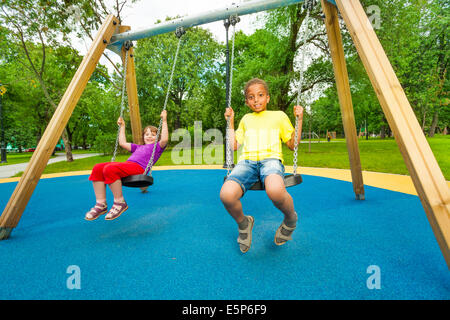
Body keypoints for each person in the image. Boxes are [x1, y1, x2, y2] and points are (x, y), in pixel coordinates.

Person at [220, 78, 304, 253]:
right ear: (246, 101)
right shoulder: (246, 119)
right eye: (251, 97)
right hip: (247, 163)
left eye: (260, 95)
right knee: (226, 195)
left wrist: (299, 119)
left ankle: (290, 218)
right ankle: (244, 223)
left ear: (268, 98)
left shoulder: (279, 115)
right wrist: (231, 121)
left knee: (275, 190)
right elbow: (234, 145)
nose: (256, 100)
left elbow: (292, 144)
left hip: (271, 160)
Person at [85, 110, 168, 221]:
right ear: (143, 137)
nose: (149, 136)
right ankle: (101, 204)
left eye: (153, 135)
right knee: (98, 168)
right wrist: (122, 126)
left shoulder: (157, 147)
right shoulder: (138, 147)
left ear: (157, 137)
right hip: (128, 165)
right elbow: (122, 143)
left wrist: (164, 120)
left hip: (139, 169)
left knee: (110, 169)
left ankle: (120, 202)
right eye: (147, 134)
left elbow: (165, 139)